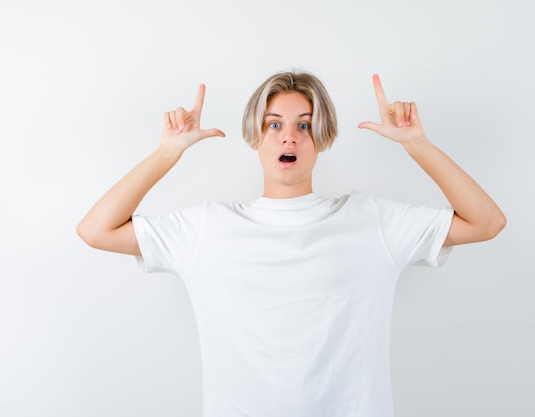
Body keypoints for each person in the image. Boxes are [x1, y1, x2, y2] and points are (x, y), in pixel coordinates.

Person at [76, 71, 505, 417]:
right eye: (274, 125)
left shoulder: (372, 221)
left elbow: (487, 222)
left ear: (321, 137)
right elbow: (96, 230)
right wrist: (167, 153)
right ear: (255, 136)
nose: (289, 137)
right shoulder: (208, 229)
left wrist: (417, 144)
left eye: (305, 125)